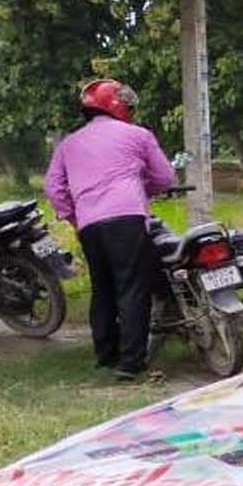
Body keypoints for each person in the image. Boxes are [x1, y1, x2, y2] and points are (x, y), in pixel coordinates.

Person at [44, 79, 175, 378]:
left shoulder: (68, 143)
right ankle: (131, 364)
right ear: (117, 105)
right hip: (127, 217)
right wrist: (144, 190)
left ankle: (105, 355)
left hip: (89, 224)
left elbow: (53, 187)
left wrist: (74, 216)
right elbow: (165, 177)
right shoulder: (138, 135)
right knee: (131, 288)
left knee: (102, 288)